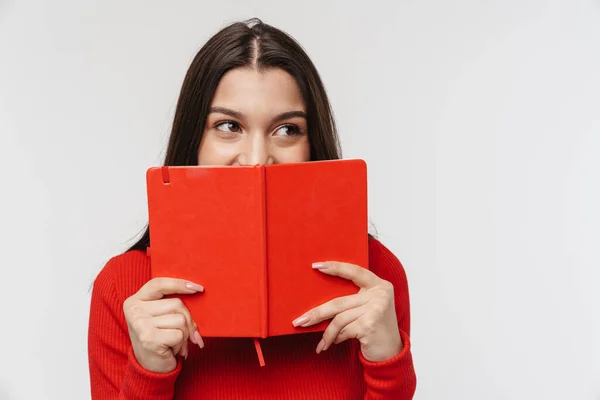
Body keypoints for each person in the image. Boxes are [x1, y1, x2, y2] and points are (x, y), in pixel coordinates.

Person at [88, 18, 416, 400]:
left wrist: (387, 363)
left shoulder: (375, 278)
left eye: (287, 130)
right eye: (228, 126)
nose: (258, 160)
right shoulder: (124, 289)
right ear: (194, 138)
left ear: (314, 144)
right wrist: (149, 373)